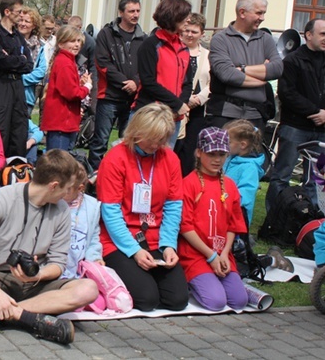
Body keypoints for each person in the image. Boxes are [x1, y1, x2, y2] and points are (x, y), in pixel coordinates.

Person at [0, 149, 98, 345]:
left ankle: (5, 314)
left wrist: (38, 274)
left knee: (88, 289)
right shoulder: (6, 196)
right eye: (67, 188)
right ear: (54, 186)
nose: (69, 194)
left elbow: (58, 263)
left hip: (36, 282)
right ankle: (27, 316)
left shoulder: (61, 210)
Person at [97, 103, 188, 312]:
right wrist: (134, 251)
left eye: (162, 140)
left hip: (155, 238)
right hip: (119, 240)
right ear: (138, 131)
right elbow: (110, 212)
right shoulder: (116, 158)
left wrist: (168, 245)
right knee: (147, 300)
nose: (156, 145)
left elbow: (173, 207)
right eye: (153, 139)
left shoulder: (170, 159)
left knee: (178, 300)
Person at [179, 127, 248, 311]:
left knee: (239, 301)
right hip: (195, 255)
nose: (217, 160)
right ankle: (193, 283)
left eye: (222, 154)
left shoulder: (230, 186)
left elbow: (234, 224)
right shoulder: (189, 184)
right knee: (216, 302)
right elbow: (185, 226)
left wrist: (224, 253)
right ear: (199, 152)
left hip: (222, 252)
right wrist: (210, 256)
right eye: (211, 154)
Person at [266, 18, 325, 210]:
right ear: (309, 35)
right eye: (322, 34)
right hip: (294, 127)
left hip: (322, 129)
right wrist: (315, 111)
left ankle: (311, 220)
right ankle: (274, 220)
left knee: (317, 178)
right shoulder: (292, 60)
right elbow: (287, 93)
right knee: (282, 174)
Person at [207, 0, 283, 130]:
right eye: (259, 13)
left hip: (256, 115)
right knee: (222, 152)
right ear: (242, 13)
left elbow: (277, 68)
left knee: (253, 152)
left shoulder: (266, 39)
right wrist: (262, 78)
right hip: (225, 115)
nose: (263, 18)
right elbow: (227, 74)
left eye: (264, 13)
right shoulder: (221, 39)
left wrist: (242, 69)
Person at [88, 0, 145, 171]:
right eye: (131, 11)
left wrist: (135, 82)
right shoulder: (106, 34)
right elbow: (103, 63)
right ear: (121, 13)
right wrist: (123, 82)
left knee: (128, 142)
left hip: (133, 99)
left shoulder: (143, 38)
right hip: (109, 97)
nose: (135, 15)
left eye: (137, 11)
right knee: (100, 142)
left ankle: (122, 175)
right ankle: (93, 178)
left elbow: (146, 66)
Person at [133, 0, 193, 149]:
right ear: (174, 16)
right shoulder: (151, 45)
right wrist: (176, 104)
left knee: (164, 162)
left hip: (173, 117)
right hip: (150, 114)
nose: (189, 20)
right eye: (185, 16)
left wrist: (181, 105)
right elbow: (148, 81)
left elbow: (187, 82)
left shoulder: (184, 48)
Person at [0, 0, 33, 157]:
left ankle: (15, 170)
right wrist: (19, 59)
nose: (21, 16)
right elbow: (1, 62)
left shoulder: (18, 37)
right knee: (0, 129)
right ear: (7, 12)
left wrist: (14, 60)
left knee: (19, 129)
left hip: (17, 86)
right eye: (18, 12)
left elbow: (29, 65)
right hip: (1, 86)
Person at [40, 26, 93, 152]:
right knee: (59, 164)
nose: (76, 45)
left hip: (64, 122)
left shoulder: (67, 61)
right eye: (72, 41)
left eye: (79, 41)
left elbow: (66, 87)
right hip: (61, 123)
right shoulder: (65, 63)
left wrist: (79, 83)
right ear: (61, 43)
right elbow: (71, 94)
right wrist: (87, 87)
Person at [174, 13, 211, 176]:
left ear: (202, 34)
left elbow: (213, 82)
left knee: (190, 152)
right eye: (187, 30)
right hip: (178, 105)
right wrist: (184, 99)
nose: (189, 35)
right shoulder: (174, 51)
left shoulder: (209, 55)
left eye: (194, 32)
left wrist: (200, 98)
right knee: (174, 147)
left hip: (198, 110)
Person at [62, 159, 102, 280]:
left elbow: (94, 236)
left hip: (80, 266)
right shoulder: (53, 203)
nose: (61, 191)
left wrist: (95, 258)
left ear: (80, 188)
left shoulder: (91, 206)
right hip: (56, 264)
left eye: (67, 189)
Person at [223, 120, 264, 225]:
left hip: (236, 220)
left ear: (242, 145)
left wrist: (223, 199)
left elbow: (245, 196)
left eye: (228, 142)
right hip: (221, 212)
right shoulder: (228, 159)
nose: (224, 145)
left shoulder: (250, 168)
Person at [19, 7, 47, 116]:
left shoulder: (39, 46)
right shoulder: (10, 40)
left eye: (27, 21)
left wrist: (21, 79)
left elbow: (41, 70)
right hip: (8, 93)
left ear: (34, 25)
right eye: (21, 20)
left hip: (27, 96)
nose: (23, 24)